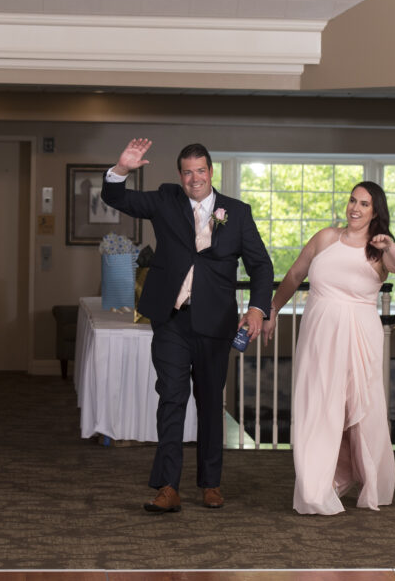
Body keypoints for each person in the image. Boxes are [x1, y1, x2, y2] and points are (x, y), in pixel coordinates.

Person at [101, 138, 273, 514]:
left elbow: (261, 265)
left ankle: (210, 483)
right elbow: (118, 199)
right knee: (172, 398)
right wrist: (122, 170)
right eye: (187, 172)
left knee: (210, 403)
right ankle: (167, 486)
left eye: (200, 171)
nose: (194, 178)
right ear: (180, 176)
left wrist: (259, 309)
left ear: (211, 172)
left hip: (215, 323)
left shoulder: (237, 213)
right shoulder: (166, 200)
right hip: (172, 320)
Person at [261, 181, 395, 515]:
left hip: (359, 337)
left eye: (364, 204)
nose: (355, 209)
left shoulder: (380, 249)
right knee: (318, 406)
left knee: (358, 410)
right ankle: (317, 487)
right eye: (352, 201)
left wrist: (389, 244)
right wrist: (272, 309)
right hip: (318, 335)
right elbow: (295, 274)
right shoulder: (326, 237)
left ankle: (358, 476)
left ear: (376, 211)